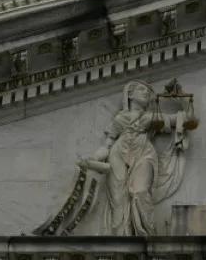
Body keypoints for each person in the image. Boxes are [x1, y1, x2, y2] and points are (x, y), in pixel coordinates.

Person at [78, 80, 187, 235]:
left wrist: (181, 98)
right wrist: (92, 159)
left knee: (140, 192)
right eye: (141, 89)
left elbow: (186, 119)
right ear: (129, 94)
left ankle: (148, 238)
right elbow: (106, 146)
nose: (146, 93)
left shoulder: (151, 118)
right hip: (118, 155)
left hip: (144, 154)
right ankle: (121, 241)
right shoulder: (119, 119)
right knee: (118, 204)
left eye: (148, 92)